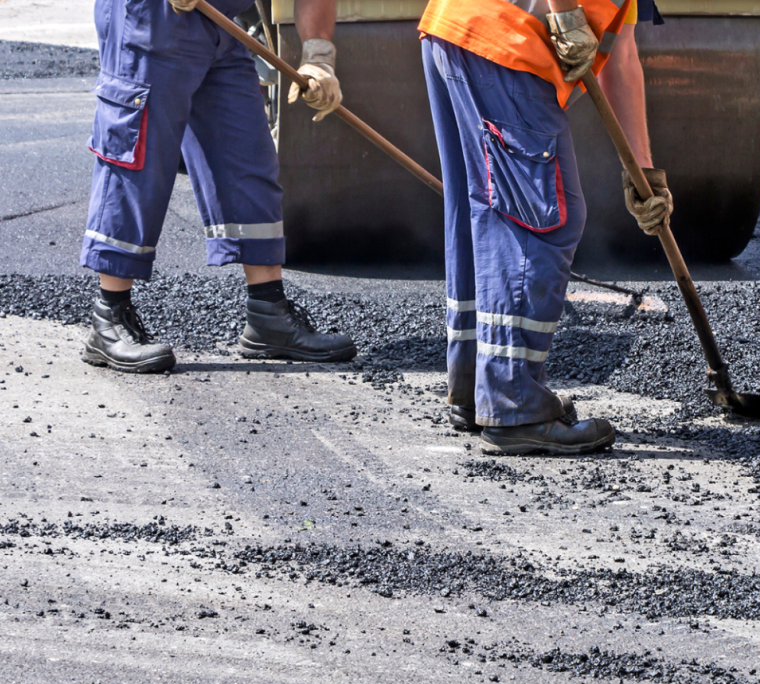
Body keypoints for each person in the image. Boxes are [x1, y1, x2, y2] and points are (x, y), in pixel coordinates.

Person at [420, 0, 668, 455]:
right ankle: (514, 402)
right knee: (540, 220)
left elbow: (623, 57)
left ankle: (478, 388)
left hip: (457, 28)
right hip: (504, 43)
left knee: (482, 213)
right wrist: (566, 13)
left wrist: (643, 171)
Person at [80, 0, 356, 373]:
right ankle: (109, 316)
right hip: (153, 18)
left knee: (247, 155)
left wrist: (319, 56)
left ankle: (267, 312)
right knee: (140, 155)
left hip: (221, 23)